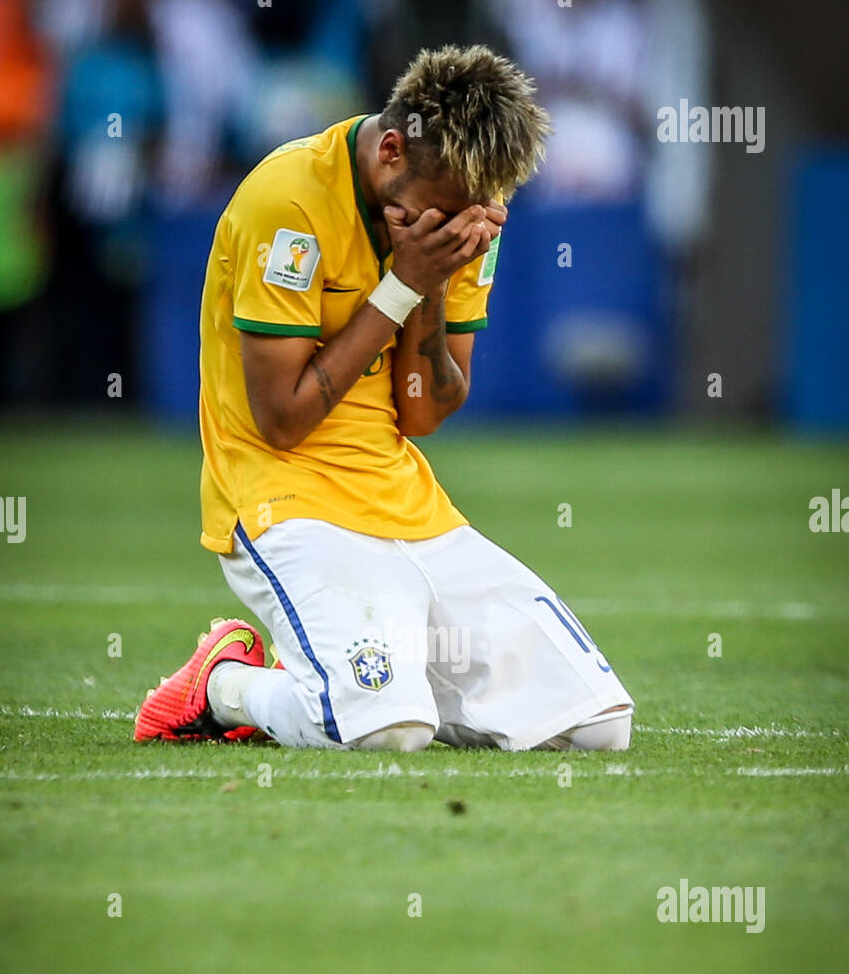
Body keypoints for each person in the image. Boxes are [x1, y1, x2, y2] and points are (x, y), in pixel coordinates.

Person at [135, 45, 633, 753]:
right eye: (446, 210)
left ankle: (379, 679)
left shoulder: (467, 207)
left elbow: (425, 412)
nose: (464, 225)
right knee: (385, 735)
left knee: (597, 727)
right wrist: (402, 283)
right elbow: (282, 421)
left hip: (404, 500)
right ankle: (225, 685)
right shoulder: (290, 202)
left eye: (480, 209)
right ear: (392, 149)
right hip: (289, 500)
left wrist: (426, 283)